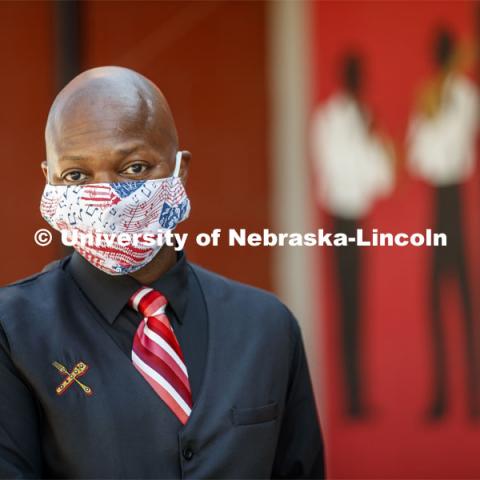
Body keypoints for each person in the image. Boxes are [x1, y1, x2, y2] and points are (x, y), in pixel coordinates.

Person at [0, 66, 325, 478]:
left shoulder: (267, 327)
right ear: (49, 181)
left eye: (134, 168)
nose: (107, 198)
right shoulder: (12, 332)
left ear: (178, 171)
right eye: (77, 176)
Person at [310, 53, 395, 418]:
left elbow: (383, 179)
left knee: (356, 307)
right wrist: (365, 155)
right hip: (340, 219)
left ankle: (356, 397)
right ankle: (350, 398)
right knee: (346, 307)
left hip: (356, 219)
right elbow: (339, 172)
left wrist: (371, 140)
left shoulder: (365, 119)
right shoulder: (329, 119)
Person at [407, 28, 480, 419]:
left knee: (466, 299)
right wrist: (433, 114)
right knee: (435, 299)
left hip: (454, 195)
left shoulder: (467, 96)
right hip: (439, 199)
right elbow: (419, 156)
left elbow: (454, 147)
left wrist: (437, 120)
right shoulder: (429, 96)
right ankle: (442, 394)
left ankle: (473, 394)